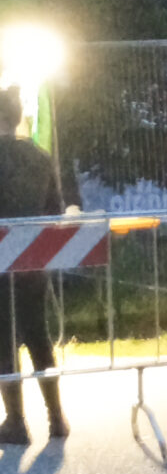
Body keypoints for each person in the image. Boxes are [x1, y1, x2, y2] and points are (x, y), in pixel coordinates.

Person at [0, 85, 69, 445]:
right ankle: (56, 417)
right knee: (38, 336)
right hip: (34, 263)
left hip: (0, 266)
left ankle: (15, 421)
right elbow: (54, 211)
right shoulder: (40, 157)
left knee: (3, 340)